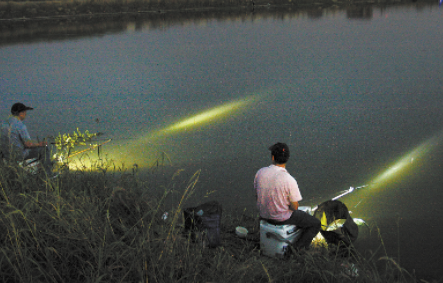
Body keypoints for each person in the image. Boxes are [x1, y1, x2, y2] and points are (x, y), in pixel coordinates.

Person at [255, 142, 321, 251]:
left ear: (272, 157)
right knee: (315, 224)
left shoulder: (260, 172)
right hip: (281, 218)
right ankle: (297, 250)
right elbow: (294, 207)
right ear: (287, 159)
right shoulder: (289, 179)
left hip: (263, 215)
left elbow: (257, 195)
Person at [1, 102, 54, 176]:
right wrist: (40, 144)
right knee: (44, 150)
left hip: (6, 155)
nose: (26, 114)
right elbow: (28, 144)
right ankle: (48, 175)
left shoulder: (3, 124)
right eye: (25, 112)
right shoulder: (20, 125)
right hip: (19, 155)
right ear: (21, 113)